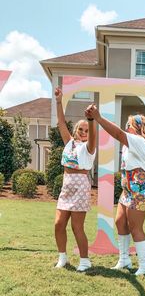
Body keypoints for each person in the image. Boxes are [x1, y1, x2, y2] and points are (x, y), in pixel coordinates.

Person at [85, 105, 145, 276]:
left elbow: (117, 134)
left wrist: (98, 118)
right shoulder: (130, 143)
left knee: (135, 227)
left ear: (136, 127)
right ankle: (124, 259)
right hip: (128, 191)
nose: (126, 127)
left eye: (128, 124)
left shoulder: (139, 141)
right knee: (120, 222)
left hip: (139, 191)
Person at [54, 87, 96, 271]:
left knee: (77, 227)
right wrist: (58, 101)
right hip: (67, 185)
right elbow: (61, 122)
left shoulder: (89, 147)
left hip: (80, 188)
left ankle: (85, 260)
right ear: (76, 130)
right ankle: (62, 257)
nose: (83, 131)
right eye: (81, 128)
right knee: (58, 224)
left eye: (86, 129)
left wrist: (91, 120)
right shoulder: (70, 142)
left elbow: (93, 136)